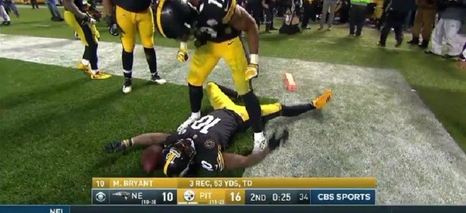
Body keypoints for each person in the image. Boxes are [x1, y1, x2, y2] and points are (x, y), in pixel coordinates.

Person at [105, 82, 333, 177]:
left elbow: (156, 136)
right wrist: (269, 148)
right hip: (240, 116)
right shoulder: (208, 156)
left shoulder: (177, 140)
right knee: (279, 109)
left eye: (175, 147)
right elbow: (244, 162)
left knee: (211, 85)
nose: (181, 144)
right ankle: (313, 105)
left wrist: (128, 142)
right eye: (182, 151)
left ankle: (238, 93)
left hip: (222, 106)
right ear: (190, 162)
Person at [154, 0, 266, 153]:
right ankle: (195, 116)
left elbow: (250, 25)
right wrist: (183, 47)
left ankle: (259, 135)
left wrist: (254, 62)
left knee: (244, 88)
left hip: (230, 41)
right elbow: (183, 28)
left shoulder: (217, 1)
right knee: (194, 79)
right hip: (208, 42)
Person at [101, 0, 166, 94]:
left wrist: (161, 5)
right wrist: (110, 18)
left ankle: (154, 74)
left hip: (145, 11)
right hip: (124, 12)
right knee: (128, 46)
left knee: (149, 44)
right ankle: (127, 79)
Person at [60, 0, 111, 79]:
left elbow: (81, 1)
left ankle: (84, 63)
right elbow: (68, 3)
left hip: (80, 13)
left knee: (94, 38)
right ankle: (95, 71)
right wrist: (83, 16)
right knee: (92, 42)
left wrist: (93, 10)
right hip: (74, 15)